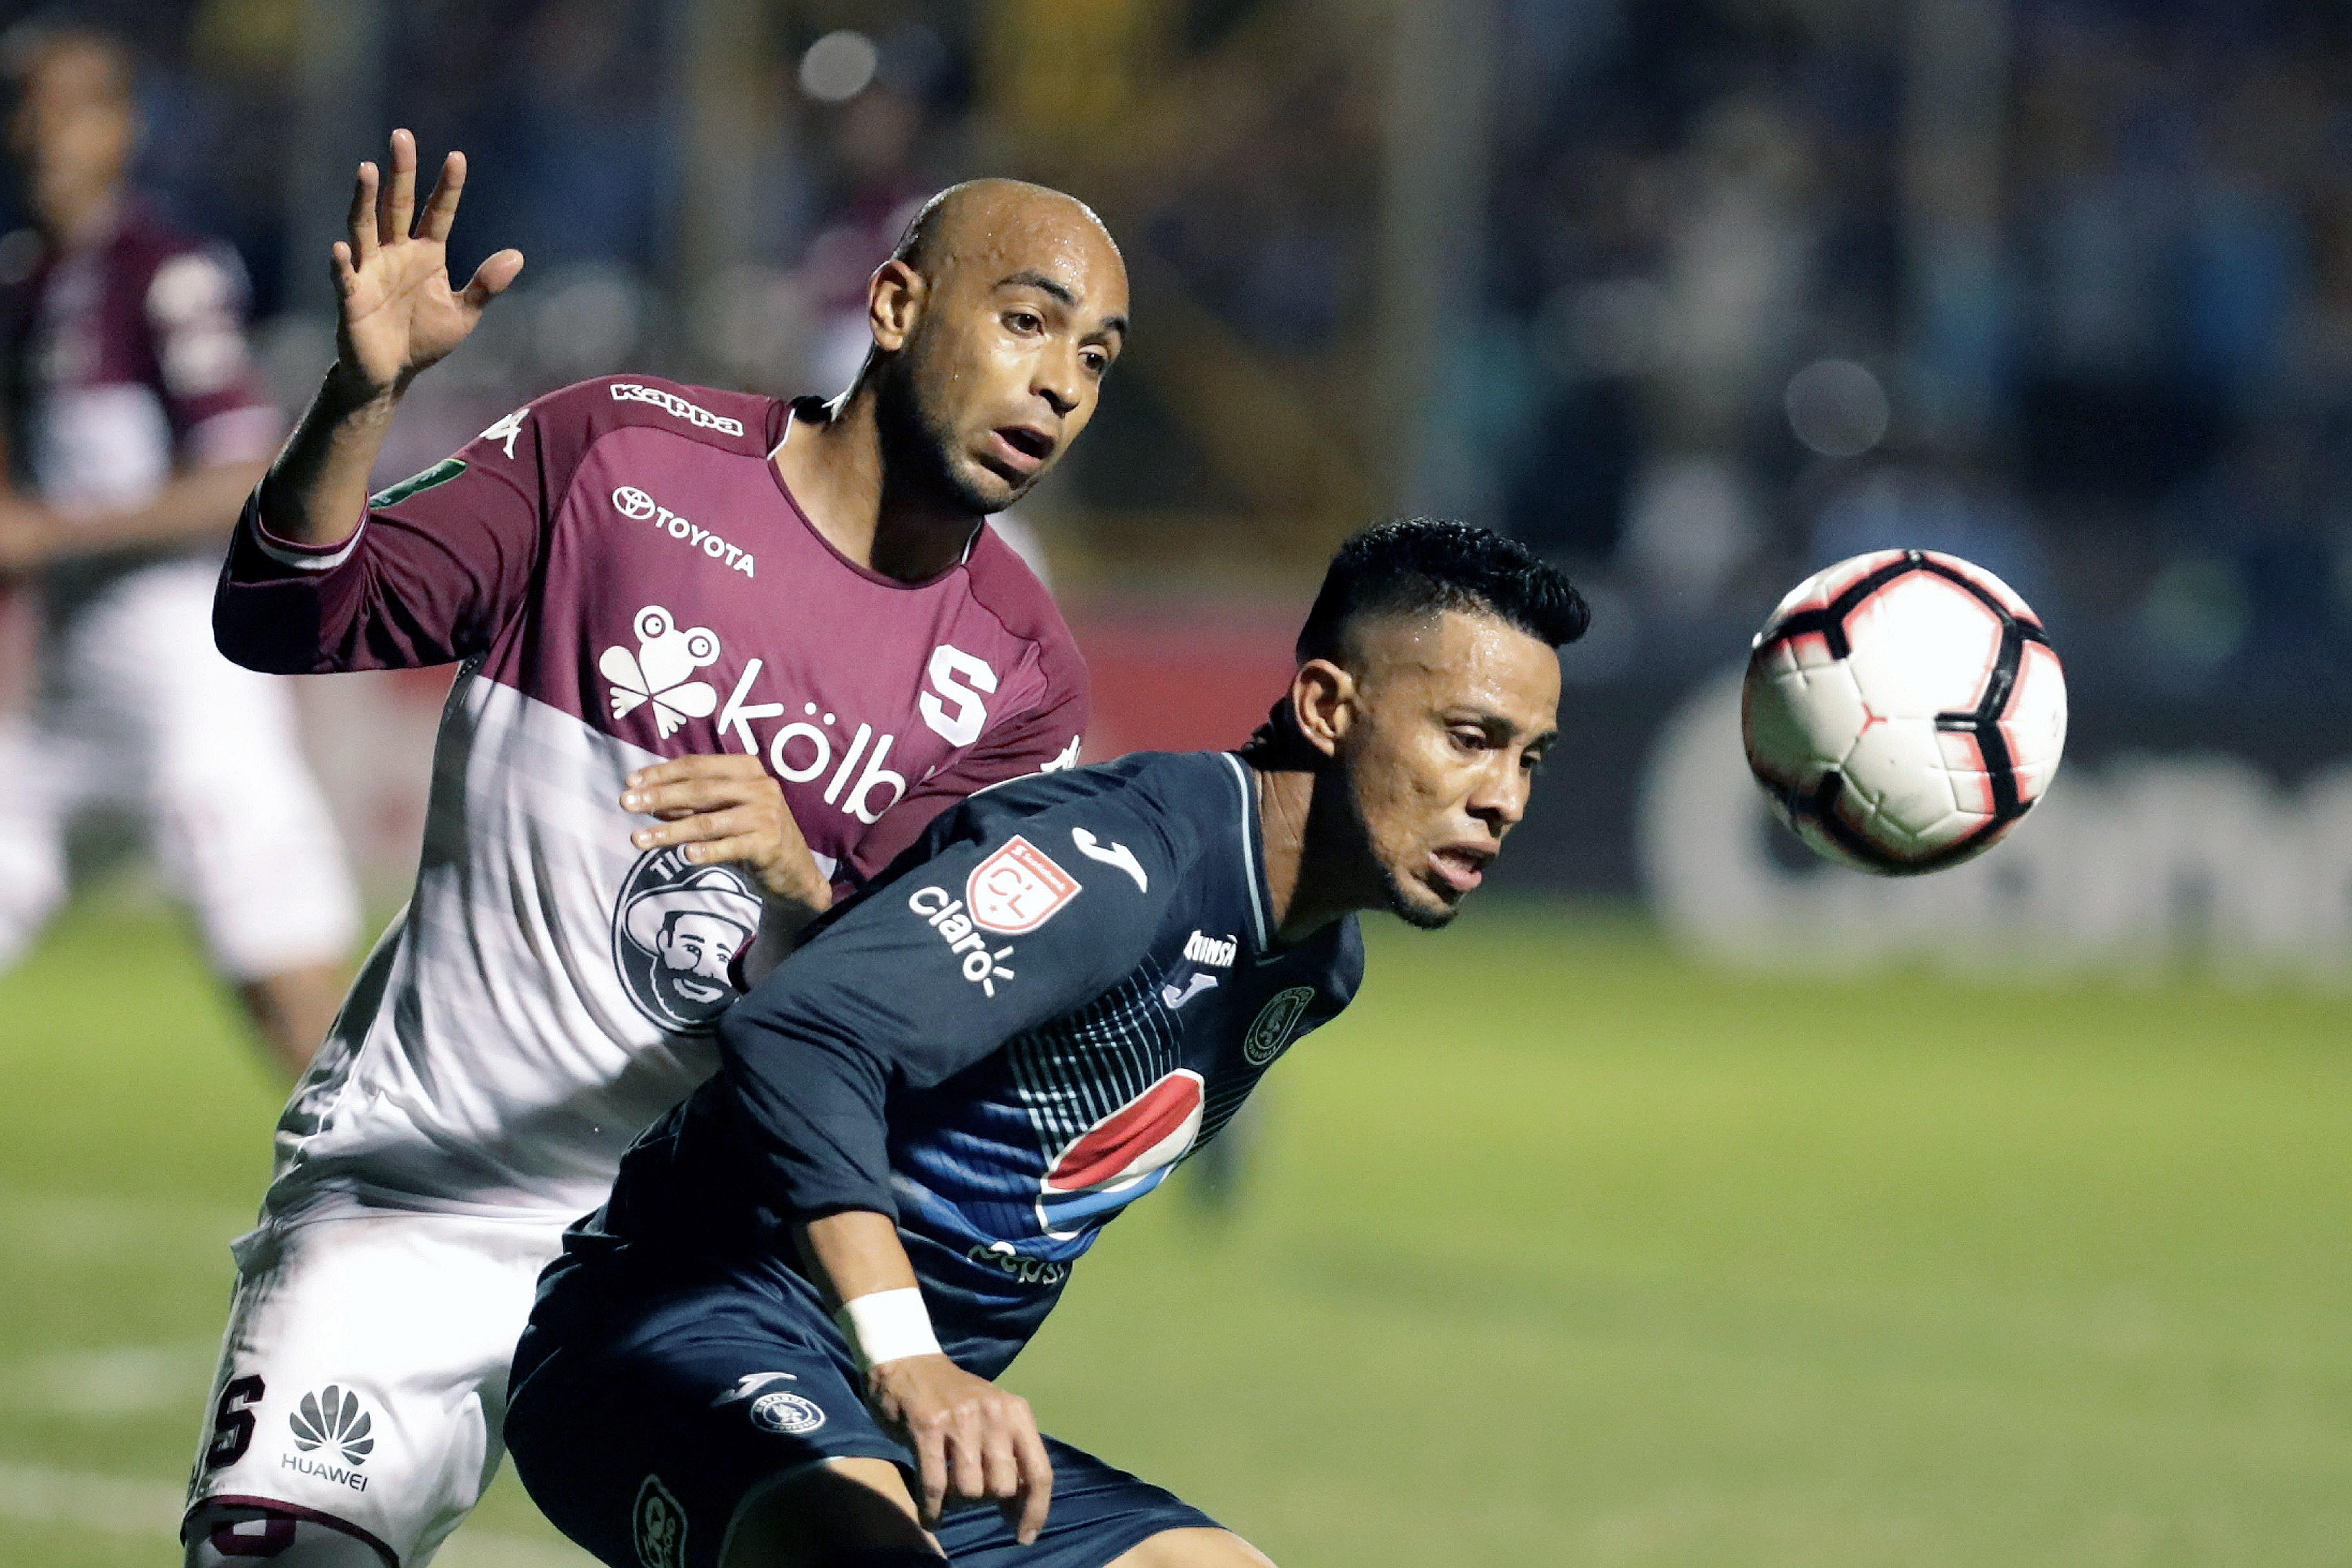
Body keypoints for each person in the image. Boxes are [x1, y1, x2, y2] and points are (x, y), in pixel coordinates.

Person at [183, 129, 1127, 1568]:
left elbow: (945, 1038)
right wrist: (363, 397)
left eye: (1098, 360)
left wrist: (811, 886)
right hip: (418, 1197)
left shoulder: (1024, 676)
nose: (1061, 383)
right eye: (1026, 323)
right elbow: (287, 614)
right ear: (893, 307)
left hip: (694, 1276)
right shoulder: (616, 453)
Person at [501, 519, 1588, 1568]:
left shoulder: (1317, 968)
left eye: (1530, 759)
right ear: (1326, 705)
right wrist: (908, 1355)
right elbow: (804, 1032)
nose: (1505, 799)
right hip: (674, 1338)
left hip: (906, 1426)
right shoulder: (1126, 863)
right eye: (1470, 739)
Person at [0, 24, 357, 1076]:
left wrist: (47, 532)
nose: (39, 133)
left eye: (67, 108)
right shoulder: (19, 287)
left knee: (275, 957)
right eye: (21, 106)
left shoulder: (164, 271)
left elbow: (241, 478)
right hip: (72, 678)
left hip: (183, 654)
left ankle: (399, 1194)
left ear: (122, 129)